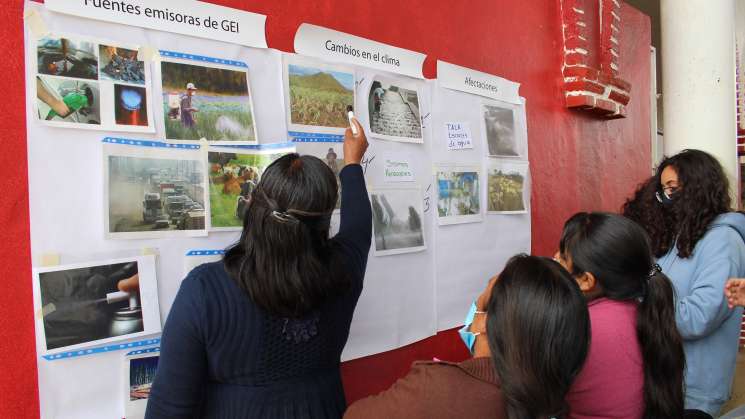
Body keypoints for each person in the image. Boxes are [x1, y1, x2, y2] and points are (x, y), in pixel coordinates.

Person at [146, 119, 370, 418]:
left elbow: (169, 409)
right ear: (325, 221)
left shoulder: (205, 291)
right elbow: (359, 224)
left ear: (254, 206)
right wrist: (352, 163)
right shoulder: (344, 269)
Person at [344, 255, 590, 419]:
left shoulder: (435, 388)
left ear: (485, 321)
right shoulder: (551, 393)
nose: (476, 304)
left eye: (485, 295)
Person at [622, 149, 745, 418]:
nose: (667, 197)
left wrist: (636, 304)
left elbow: (700, 317)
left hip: (695, 389)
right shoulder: (676, 237)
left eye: (674, 188)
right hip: (664, 382)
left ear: (699, 189)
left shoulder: (722, 241)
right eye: (664, 189)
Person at [556, 212, 685, 418]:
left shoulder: (581, 326)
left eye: (562, 257)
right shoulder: (641, 310)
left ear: (586, 281)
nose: (554, 259)